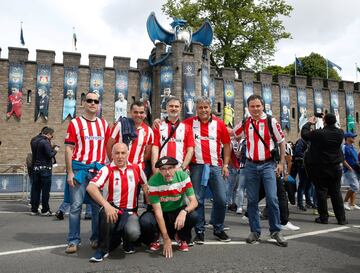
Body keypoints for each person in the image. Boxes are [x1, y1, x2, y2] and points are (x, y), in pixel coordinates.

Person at [233, 94, 288, 247]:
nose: (255, 109)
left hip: (268, 165)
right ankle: (255, 231)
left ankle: (276, 231)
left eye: (258, 106)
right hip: (250, 166)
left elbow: (281, 142)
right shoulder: (246, 122)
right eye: (252, 106)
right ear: (248, 108)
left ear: (263, 106)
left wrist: (281, 163)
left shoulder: (271, 121)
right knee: (251, 201)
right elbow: (232, 133)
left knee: (272, 199)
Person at [64, 92, 110, 254]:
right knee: (76, 206)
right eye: (89, 100)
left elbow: (109, 148)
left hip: (97, 171)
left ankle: (96, 238)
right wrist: (69, 172)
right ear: (83, 103)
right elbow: (69, 149)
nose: (92, 103)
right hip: (79, 169)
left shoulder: (104, 124)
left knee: (97, 206)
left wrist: (109, 169)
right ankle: (73, 240)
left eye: (95, 101)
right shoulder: (75, 123)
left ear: (99, 104)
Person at [87, 143, 148, 262]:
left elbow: (145, 185)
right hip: (113, 209)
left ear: (128, 154)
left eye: (123, 153)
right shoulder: (106, 169)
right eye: (117, 153)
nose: (120, 156)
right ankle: (102, 249)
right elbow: (91, 187)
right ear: (112, 155)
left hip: (130, 212)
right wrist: (106, 205)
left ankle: (126, 241)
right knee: (106, 213)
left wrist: (150, 201)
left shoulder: (136, 168)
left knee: (134, 232)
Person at [183, 96, 231, 243]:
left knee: (222, 199)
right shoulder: (189, 123)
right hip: (196, 166)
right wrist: (158, 121)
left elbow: (227, 144)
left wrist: (226, 164)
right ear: (196, 109)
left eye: (206, 107)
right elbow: (174, 126)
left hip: (215, 166)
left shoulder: (219, 124)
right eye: (200, 108)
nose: (203, 110)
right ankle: (199, 231)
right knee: (198, 200)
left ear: (210, 108)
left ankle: (218, 228)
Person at [140, 156, 198, 258]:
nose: (167, 172)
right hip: (161, 212)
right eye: (163, 169)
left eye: (170, 168)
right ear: (159, 170)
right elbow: (158, 212)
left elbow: (194, 202)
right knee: (145, 221)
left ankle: (180, 236)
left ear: (175, 168)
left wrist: (184, 211)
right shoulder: (153, 182)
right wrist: (166, 239)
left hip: (177, 211)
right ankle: (156, 237)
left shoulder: (183, 176)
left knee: (193, 215)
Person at [301, 113, 347, 225]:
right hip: (336, 167)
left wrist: (309, 123)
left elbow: (304, 134)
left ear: (325, 122)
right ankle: (341, 219)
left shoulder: (319, 133)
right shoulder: (340, 133)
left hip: (321, 167)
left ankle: (323, 218)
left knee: (321, 192)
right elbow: (338, 129)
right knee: (336, 192)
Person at [151, 97, 194, 174]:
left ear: (180, 108)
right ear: (166, 107)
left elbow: (190, 150)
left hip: (180, 170)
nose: (174, 108)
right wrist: (154, 168)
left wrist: (182, 167)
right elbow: (155, 148)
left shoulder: (187, 127)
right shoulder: (158, 126)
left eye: (176, 106)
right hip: (162, 169)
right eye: (171, 106)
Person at [107, 101, 153, 171]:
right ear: (131, 112)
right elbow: (109, 146)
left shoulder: (149, 131)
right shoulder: (120, 125)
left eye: (141, 112)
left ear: (145, 114)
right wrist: (113, 162)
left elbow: (147, 154)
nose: (138, 115)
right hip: (118, 169)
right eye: (135, 112)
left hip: (137, 170)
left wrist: (136, 163)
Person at [30, 127, 59, 215]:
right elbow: (50, 155)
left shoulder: (33, 140)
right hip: (45, 169)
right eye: (51, 135)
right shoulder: (44, 141)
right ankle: (45, 210)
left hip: (35, 168)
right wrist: (55, 150)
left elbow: (38, 153)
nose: (51, 137)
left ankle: (34, 210)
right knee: (45, 191)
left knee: (35, 189)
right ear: (48, 134)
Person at [342, 132, 360, 210]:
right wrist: (349, 167)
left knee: (354, 187)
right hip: (349, 169)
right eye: (352, 137)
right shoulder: (344, 147)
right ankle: (345, 202)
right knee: (355, 186)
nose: (354, 138)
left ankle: (352, 203)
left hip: (356, 169)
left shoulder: (352, 146)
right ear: (347, 138)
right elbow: (342, 159)